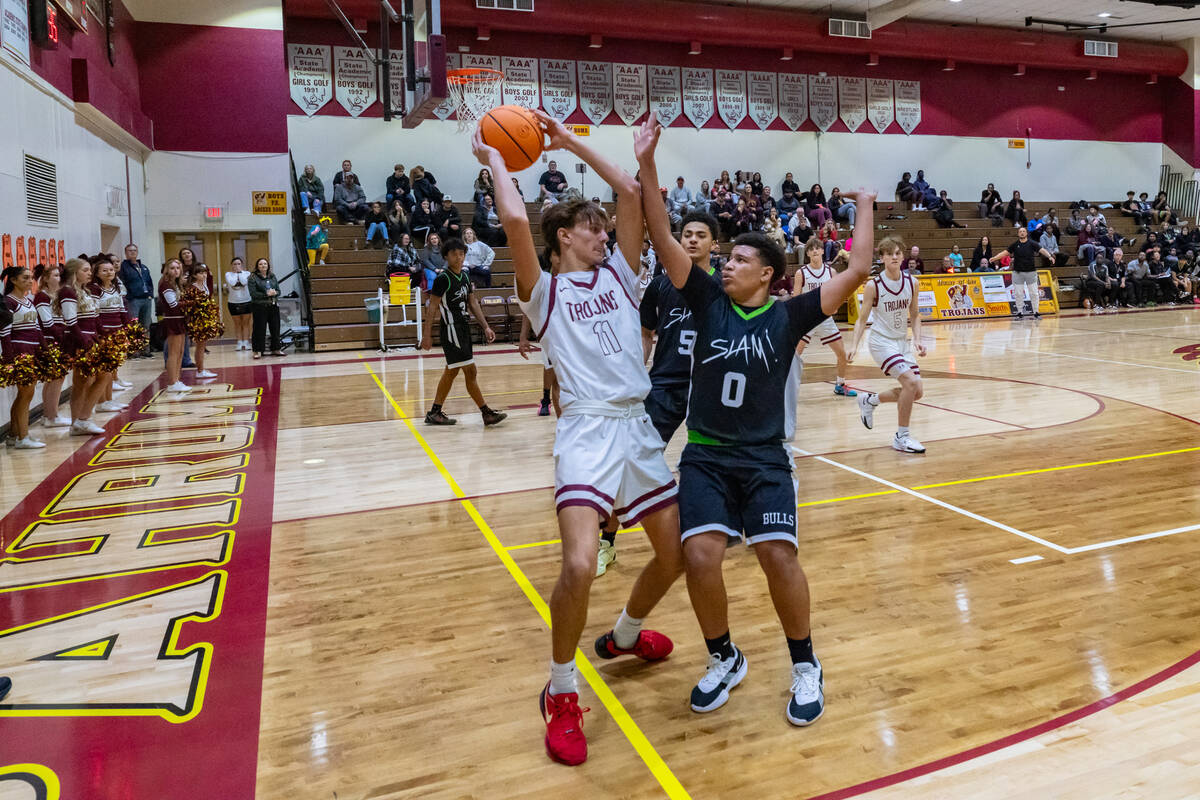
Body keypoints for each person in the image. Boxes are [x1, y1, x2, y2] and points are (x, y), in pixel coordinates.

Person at [637, 112, 877, 728]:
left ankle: (805, 663)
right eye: (727, 256)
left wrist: (866, 206)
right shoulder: (708, 301)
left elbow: (856, 272)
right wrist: (647, 164)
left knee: (778, 558)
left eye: (740, 259)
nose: (727, 264)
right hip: (707, 454)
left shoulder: (789, 315)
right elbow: (663, 240)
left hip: (766, 456)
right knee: (701, 557)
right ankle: (724, 656)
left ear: (767, 274)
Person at [477, 111, 684, 767]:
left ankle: (623, 635)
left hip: (638, 426)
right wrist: (496, 162)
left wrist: (567, 142)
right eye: (590, 230)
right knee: (578, 563)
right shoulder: (543, 291)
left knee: (675, 556)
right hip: (588, 430)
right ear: (564, 237)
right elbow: (514, 222)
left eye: (604, 230)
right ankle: (561, 691)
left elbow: (629, 191)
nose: (603, 235)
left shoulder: (623, 275)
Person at [848, 236, 927, 454]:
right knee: (910, 383)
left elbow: (915, 314)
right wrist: (854, 345)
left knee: (916, 392)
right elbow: (862, 319)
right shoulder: (874, 285)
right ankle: (902, 437)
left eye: (898, 253)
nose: (894, 256)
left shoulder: (912, 282)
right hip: (881, 342)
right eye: (890, 253)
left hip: (902, 342)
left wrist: (918, 339)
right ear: (882, 257)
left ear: (903, 256)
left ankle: (870, 400)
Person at [419, 237, 508, 427]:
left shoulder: (466, 277)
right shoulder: (443, 278)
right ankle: (486, 413)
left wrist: (485, 326)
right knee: (470, 371)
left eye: (462, 254)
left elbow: (473, 302)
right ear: (446, 256)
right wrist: (426, 335)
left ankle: (434, 412)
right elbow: (432, 307)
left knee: (451, 372)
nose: (459, 258)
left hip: (463, 329)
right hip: (451, 330)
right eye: (454, 254)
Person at [795, 239, 857, 397]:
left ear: (823, 251)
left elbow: (837, 294)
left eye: (818, 248)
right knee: (793, 357)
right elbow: (795, 300)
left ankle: (840, 385)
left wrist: (835, 305)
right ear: (807, 253)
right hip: (806, 320)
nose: (815, 251)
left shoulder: (831, 272)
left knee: (842, 354)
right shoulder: (801, 273)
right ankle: (785, 388)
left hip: (825, 319)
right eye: (811, 249)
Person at [1, 266, 47, 449]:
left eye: (31, 278)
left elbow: (37, 328)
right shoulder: (8, 302)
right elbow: (4, 334)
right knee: (26, 393)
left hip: (33, 350)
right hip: (20, 352)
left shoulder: (29, 300)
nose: (30, 281)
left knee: (24, 395)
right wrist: (9, 359)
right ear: (13, 280)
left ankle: (14, 435)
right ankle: (23, 437)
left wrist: (45, 350)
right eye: (25, 278)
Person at [32, 263, 70, 427]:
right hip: (51, 340)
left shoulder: (58, 295)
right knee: (55, 377)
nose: (59, 278)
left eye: (60, 275)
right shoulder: (42, 296)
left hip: (58, 337)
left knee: (56, 378)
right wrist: (64, 338)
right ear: (45, 279)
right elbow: (47, 323)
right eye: (55, 275)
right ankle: (51, 416)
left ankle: (49, 415)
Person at [991, 226, 1051, 318]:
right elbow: (1005, 252)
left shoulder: (1032, 243)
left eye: (1024, 231)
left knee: (1034, 293)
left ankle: (1036, 312)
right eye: (1020, 231)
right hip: (1018, 273)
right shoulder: (1015, 245)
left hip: (1030, 272)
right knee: (1018, 293)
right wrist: (995, 258)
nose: (1022, 233)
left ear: (1026, 233)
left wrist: (1049, 256)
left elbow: (1042, 250)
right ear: (1018, 234)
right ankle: (1019, 313)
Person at [182, 262, 221, 379]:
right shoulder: (192, 287)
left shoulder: (204, 285)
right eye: (200, 273)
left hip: (206, 318)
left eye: (205, 273)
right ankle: (200, 370)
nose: (204, 275)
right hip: (197, 320)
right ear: (194, 275)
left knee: (202, 345)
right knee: (199, 345)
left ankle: (201, 368)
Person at [157, 258, 190, 392]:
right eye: (172, 268)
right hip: (172, 320)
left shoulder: (176, 285)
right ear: (167, 270)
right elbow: (173, 305)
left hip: (180, 319)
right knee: (173, 353)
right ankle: (171, 383)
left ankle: (177, 379)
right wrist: (192, 304)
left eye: (178, 268)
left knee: (181, 351)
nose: (175, 271)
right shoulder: (165, 285)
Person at [118, 244, 154, 356]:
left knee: (146, 325)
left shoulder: (143, 267)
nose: (132, 252)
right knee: (134, 325)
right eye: (130, 251)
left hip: (146, 299)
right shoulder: (123, 267)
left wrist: (150, 294)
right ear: (125, 253)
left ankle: (146, 349)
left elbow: (149, 282)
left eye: (134, 250)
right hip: (133, 300)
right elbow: (122, 283)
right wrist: (129, 295)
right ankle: (134, 350)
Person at [249, 258, 285, 358]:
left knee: (275, 328)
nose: (263, 266)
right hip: (259, 306)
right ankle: (257, 350)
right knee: (259, 329)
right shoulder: (252, 277)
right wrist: (266, 294)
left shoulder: (272, 276)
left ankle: (276, 349)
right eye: (260, 264)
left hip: (273, 305)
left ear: (268, 265)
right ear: (257, 266)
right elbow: (253, 293)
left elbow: (279, 290)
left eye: (265, 264)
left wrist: (275, 293)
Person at [225, 257, 252, 351]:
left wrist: (240, 273)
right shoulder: (228, 274)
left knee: (246, 323)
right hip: (233, 302)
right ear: (231, 265)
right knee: (237, 323)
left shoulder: (247, 273)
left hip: (246, 301)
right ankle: (239, 342)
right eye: (234, 264)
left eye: (239, 264)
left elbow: (244, 282)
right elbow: (232, 283)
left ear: (242, 265)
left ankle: (246, 342)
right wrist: (236, 274)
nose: (237, 266)